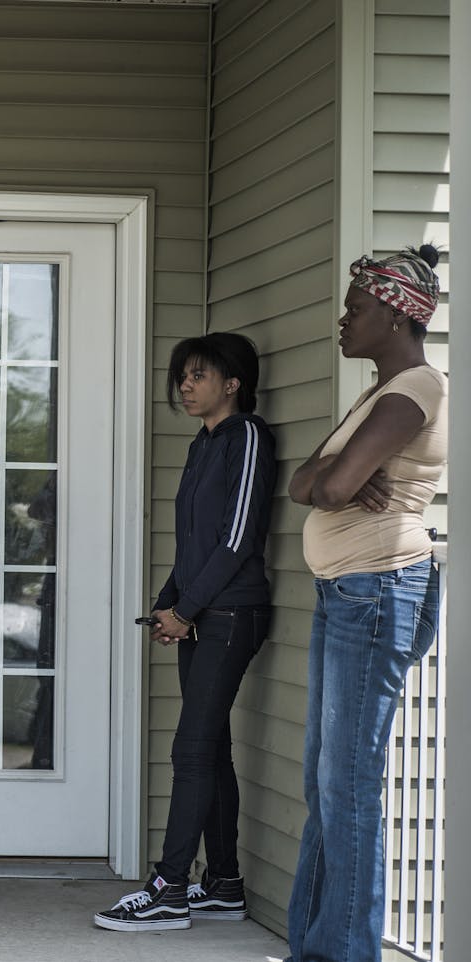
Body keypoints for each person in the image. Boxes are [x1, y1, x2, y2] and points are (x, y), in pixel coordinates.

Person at [285, 246, 446, 962]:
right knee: (325, 782)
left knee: (346, 784)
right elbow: (304, 484)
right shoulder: (377, 394)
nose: (341, 319)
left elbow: (332, 488)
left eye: (354, 307)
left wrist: (337, 478)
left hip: (379, 591)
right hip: (347, 592)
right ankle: (316, 946)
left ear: (393, 311)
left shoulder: (416, 389)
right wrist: (336, 475)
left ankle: (345, 954)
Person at [93, 332, 276, 932]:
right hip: (202, 614)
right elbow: (194, 544)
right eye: (183, 376)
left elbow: (238, 538)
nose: (186, 385)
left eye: (199, 375)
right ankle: (222, 883)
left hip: (231, 615)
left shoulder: (246, 437)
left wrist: (189, 609)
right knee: (211, 747)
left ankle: (169, 890)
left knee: (191, 750)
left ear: (233, 383)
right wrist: (167, 605)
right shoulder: (201, 446)